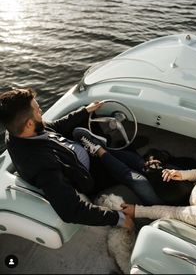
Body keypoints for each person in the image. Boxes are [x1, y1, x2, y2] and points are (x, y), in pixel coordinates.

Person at [0, 88, 161, 230]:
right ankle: (159, 211)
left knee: (86, 128)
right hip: (89, 175)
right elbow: (71, 211)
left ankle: (110, 149)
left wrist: (85, 111)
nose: (41, 111)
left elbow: (54, 127)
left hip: (73, 155)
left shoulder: (18, 132)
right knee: (137, 179)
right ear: (29, 124)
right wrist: (117, 218)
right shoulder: (42, 166)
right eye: (38, 111)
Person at [121, 138, 196, 234]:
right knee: (157, 166)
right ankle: (121, 151)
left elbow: (175, 213)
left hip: (190, 210)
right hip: (194, 192)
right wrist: (183, 175)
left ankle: (105, 150)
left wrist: (137, 211)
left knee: (139, 177)